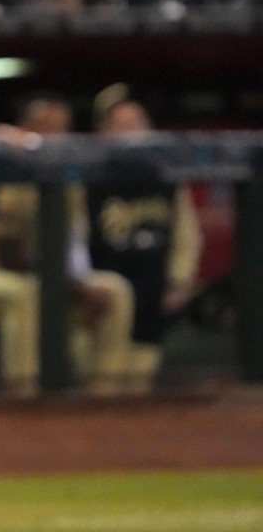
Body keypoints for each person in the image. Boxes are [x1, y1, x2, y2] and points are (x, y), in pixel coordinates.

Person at [0, 94, 136, 396]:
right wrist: (72, 286)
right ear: (23, 128)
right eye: (43, 128)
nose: (53, 137)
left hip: (43, 274)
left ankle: (105, 397)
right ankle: (25, 396)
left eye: (60, 128)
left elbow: (72, 241)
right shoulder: (3, 163)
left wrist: (78, 281)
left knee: (115, 290)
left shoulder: (67, 177)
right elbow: (6, 248)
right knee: (27, 294)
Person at [88, 83, 202, 392]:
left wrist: (179, 281)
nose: (131, 132)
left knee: (139, 389)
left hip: (151, 296)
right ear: (102, 131)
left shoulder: (166, 177)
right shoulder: (85, 178)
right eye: (121, 125)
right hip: (102, 305)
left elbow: (186, 234)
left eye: (136, 124)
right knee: (101, 387)